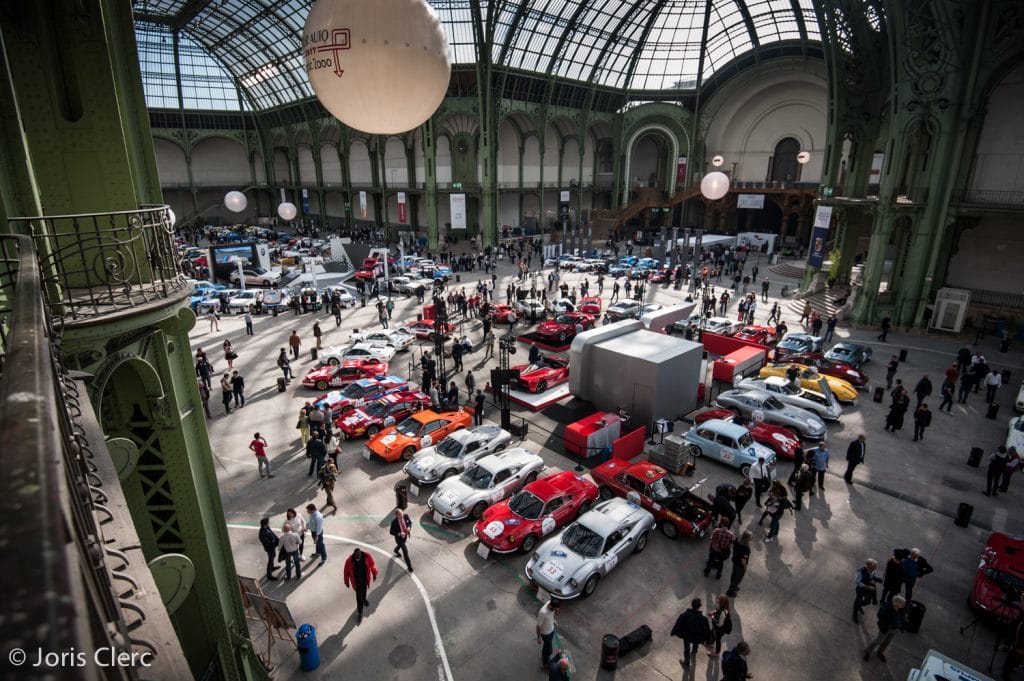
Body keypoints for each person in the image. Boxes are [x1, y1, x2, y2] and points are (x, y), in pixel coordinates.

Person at [862, 595, 906, 662]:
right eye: (902, 604)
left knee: (887, 641)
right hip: (885, 628)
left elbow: (902, 618)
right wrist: (887, 623)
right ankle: (867, 652)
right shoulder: (887, 607)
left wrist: (901, 626)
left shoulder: (901, 609)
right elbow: (879, 615)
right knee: (878, 640)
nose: (903, 605)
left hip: (894, 629)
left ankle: (880, 651)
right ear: (897, 603)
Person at [671, 598, 712, 668]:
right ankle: (694, 650)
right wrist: (708, 640)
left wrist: (673, 632)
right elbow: (707, 630)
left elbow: (678, 623)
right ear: (700, 606)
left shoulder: (685, 615)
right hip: (697, 637)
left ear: (692, 605)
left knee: (686, 649)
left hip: (687, 636)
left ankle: (687, 663)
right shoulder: (703, 619)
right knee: (695, 643)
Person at [342, 548, 378, 624]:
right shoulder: (349, 561)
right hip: (357, 583)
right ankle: (360, 612)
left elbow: (372, 564)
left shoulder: (367, 556)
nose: (358, 558)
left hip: (364, 581)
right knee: (359, 598)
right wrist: (346, 581)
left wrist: (374, 573)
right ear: (354, 555)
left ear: (361, 554)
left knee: (364, 593)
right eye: (356, 556)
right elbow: (346, 572)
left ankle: (364, 599)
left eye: (359, 556)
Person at [853, 558, 882, 623]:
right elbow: (857, 582)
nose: (875, 568)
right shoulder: (861, 571)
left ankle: (859, 606)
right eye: (874, 566)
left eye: (875, 566)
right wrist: (868, 587)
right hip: (861, 589)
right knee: (857, 600)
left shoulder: (873, 570)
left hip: (869, 589)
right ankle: (855, 613)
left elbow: (872, 577)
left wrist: (875, 580)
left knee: (868, 601)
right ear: (869, 565)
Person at [536, 598, 561, 670]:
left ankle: (544, 656)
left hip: (551, 630)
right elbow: (538, 626)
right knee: (549, 650)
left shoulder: (552, 603)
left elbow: (553, 614)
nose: (556, 611)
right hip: (545, 634)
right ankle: (545, 666)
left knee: (546, 647)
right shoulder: (543, 612)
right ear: (550, 607)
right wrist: (539, 637)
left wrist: (555, 615)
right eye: (555, 609)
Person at [726, 532, 752, 598]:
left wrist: (736, 553)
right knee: (738, 578)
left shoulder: (737, 540)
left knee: (734, 575)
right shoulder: (746, 548)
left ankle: (733, 586)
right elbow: (743, 559)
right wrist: (745, 567)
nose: (751, 538)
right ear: (747, 538)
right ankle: (730, 590)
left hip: (735, 561)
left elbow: (732, 546)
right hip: (740, 566)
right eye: (750, 537)